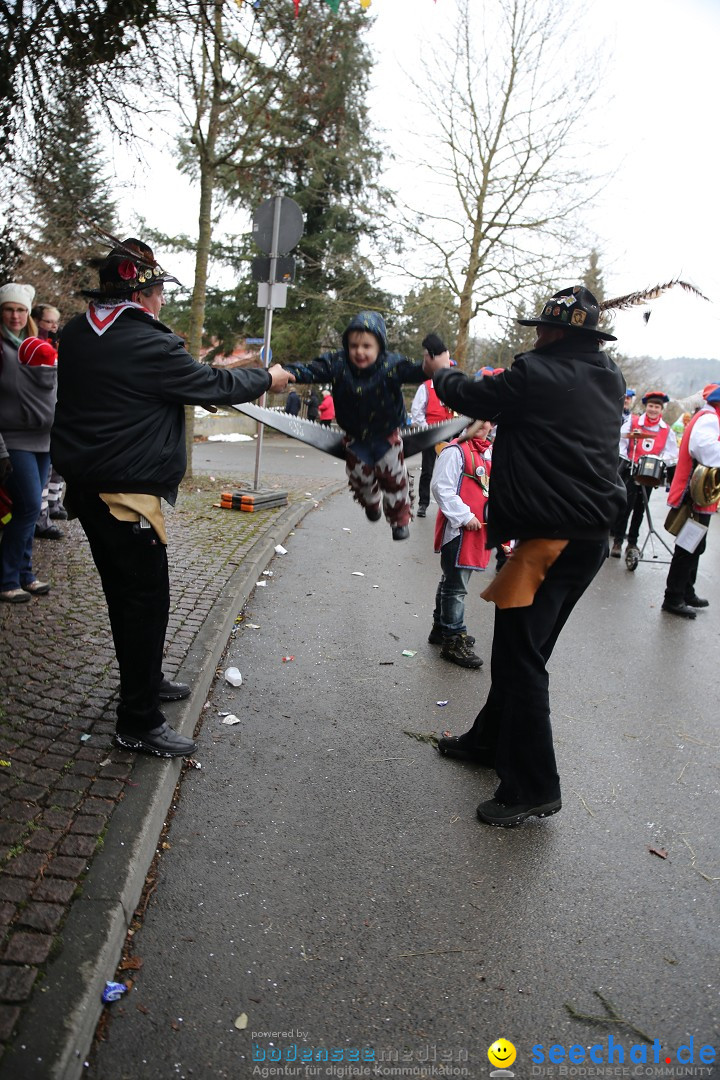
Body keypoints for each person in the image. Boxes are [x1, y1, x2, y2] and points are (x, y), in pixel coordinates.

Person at [51, 237, 295, 758]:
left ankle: (147, 680)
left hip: (90, 488)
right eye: (160, 291)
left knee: (128, 598)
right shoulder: (144, 341)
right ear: (142, 296)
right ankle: (138, 719)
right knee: (144, 602)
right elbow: (207, 384)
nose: (163, 301)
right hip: (126, 496)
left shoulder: (75, 333)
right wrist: (266, 378)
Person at [432, 286, 625, 827]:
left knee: (521, 658)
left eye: (543, 328)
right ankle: (489, 742)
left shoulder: (540, 374)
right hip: (583, 539)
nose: (535, 335)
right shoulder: (607, 377)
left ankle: (533, 787)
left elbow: (473, 395)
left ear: (561, 333)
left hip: (551, 539)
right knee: (524, 650)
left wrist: (441, 368)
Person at [282, 311, 450, 540]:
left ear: (379, 346)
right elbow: (310, 370)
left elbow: (419, 371)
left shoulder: (392, 364)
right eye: (353, 346)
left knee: (394, 477)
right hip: (355, 436)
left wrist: (435, 359)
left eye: (366, 346)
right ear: (346, 346)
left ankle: (399, 519)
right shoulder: (337, 363)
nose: (359, 352)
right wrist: (285, 373)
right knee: (359, 477)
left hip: (387, 435)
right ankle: (371, 504)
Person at [0, 283, 55, 603]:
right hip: (13, 438)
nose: (15, 315)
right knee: (29, 505)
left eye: (21, 310)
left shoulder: (39, 346)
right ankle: (7, 577)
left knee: (29, 508)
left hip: (43, 440)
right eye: (9, 309)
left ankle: (24, 573)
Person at [428, 420, 492, 669]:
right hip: (458, 530)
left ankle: (440, 629)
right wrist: (465, 516)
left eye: (488, 421)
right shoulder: (455, 451)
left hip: (475, 530)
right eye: (479, 420)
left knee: (450, 582)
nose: (485, 426)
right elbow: (441, 488)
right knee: (456, 588)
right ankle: (453, 639)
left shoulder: (485, 451)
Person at [661, 383, 720, 618]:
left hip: (700, 494)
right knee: (688, 545)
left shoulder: (709, 416)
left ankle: (686, 590)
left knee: (695, 544)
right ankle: (673, 597)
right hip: (695, 494)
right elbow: (705, 449)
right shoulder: (709, 418)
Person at [610, 390, 678, 560]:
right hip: (632, 471)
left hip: (650, 474)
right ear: (646, 406)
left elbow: (671, 453)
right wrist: (628, 459)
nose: (653, 409)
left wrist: (660, 460)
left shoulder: (666, 430)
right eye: (651, 406)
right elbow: (621, 442)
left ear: (661, 409)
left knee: (641, 509)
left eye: (657, 407)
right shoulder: (633, 422)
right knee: (626, 507)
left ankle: (632, 542)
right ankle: (618, 541)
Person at [410, 334, 455, 517]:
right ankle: (423, 504)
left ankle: (448, 507)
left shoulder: (452, 387)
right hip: (430, 433)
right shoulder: (426, 387)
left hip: (449, 434)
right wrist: (426, 429)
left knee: (449, 473)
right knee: (427, 471)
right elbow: (416, 412)